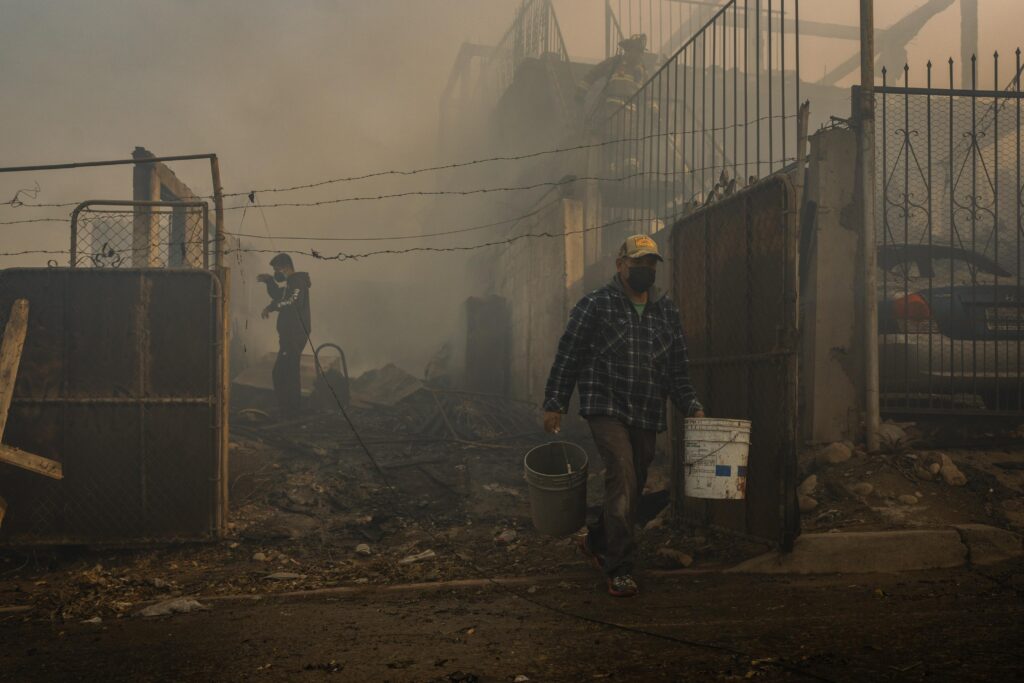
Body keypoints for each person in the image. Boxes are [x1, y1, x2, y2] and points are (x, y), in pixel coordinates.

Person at [542, 234, 704, 598]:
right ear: (620, 265)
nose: (645, 270)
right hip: (606, 406)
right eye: (638, 263)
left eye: (651, 264)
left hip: (646, 409)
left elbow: (677, 369)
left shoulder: (666, 312)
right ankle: (619, 566)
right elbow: (568, 355)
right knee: (624, 474)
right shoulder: (595, 306)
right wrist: (555, 401)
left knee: (636, 478)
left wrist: (691, 404)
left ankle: (597, 540)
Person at [257, 253, 312, 415]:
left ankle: (289, 409)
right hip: (289, 335)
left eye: (276, 270)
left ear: (285, 267)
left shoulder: (297, 282)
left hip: (294, 335)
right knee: (286, 371)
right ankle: (289, 408)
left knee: (284, 372)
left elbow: (292, 302)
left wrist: (271, 307)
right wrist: (269, 281)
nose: (275, 272)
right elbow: (279, 295)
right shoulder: (291, 283)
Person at [576, 34, 649, 128]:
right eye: (635, 50)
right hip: (609, 112)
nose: (638, 54)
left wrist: (654, 111)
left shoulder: (642, 71)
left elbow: (648, 94)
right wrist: (581, 91)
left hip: (630, 118)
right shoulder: (614, 63)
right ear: (628, 49)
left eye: (640, 51)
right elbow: (593, 74)